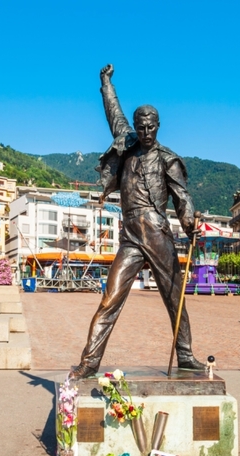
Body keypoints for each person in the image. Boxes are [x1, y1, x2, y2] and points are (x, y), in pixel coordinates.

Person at [70, 64, 206, 379]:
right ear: (135, 126)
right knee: (110, 297)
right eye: (140, 128)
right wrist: (106, 83)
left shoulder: (168, 158)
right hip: (130, 235)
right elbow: (112, 112)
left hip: (157, 231)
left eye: (150, 128)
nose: (144, 133)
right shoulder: (126, 143)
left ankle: (185, 356)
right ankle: (89, 362)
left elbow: (182, 197)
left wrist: (189, 223)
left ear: (158, 126)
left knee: (174, 297)